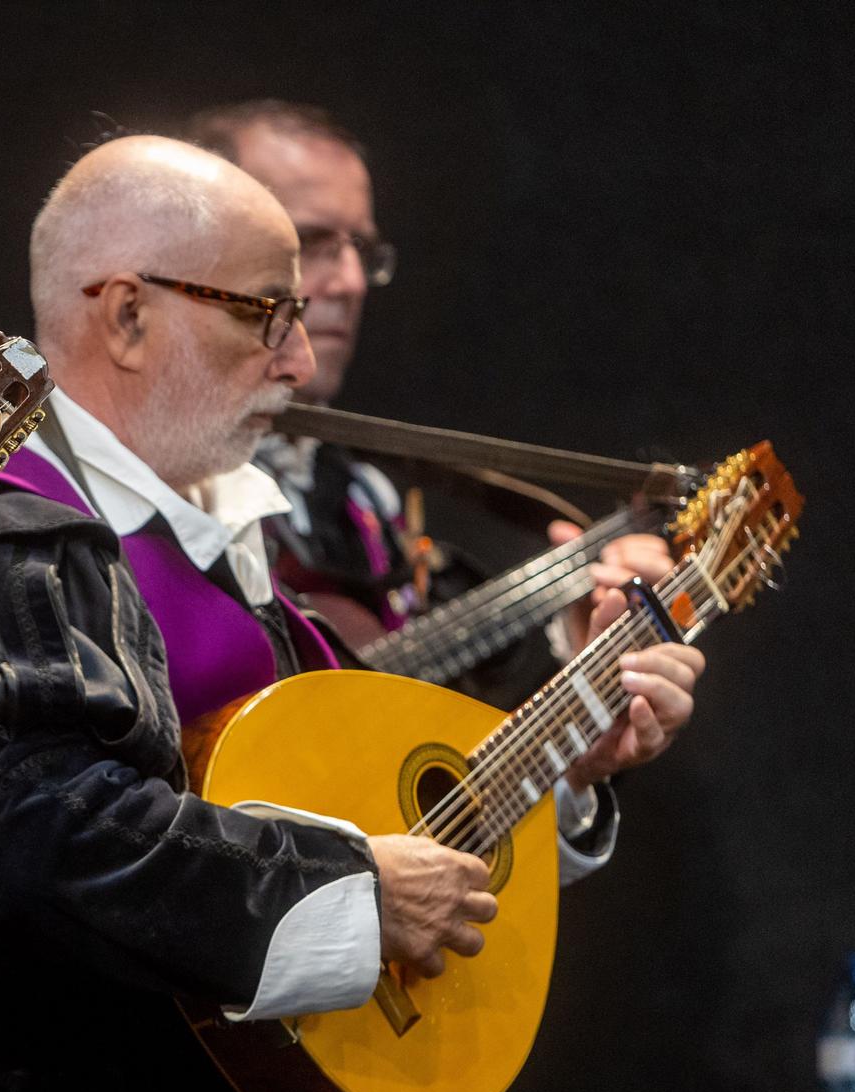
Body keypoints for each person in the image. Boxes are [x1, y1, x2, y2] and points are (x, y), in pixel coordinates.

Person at [0, 135, 705, 1092]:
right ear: (120, 316)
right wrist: (353, 890)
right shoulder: (5, 525)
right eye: (264, 315)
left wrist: (563, 758)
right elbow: (31, 844)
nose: (302, 355)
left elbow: (323, 797)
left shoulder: (213, 527)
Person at [189, 100, 669, 689]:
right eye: (310, 242)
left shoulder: (368, 501)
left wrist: (581, 674)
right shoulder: (116, 479)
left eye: (360, 251)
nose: (351, 282)